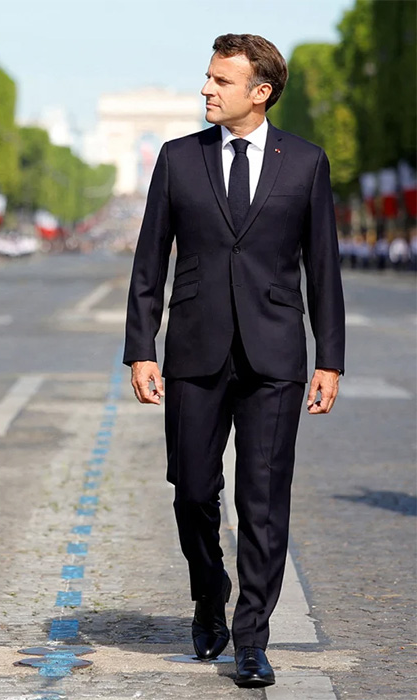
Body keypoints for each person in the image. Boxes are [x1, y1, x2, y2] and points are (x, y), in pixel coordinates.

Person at [123, 34, 344, 689]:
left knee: (263, 502)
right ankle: (208, 589)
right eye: (207, 77)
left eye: (221, 80)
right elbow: (147, 263)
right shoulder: (176, 159)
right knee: (192, 490)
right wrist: (141, 347)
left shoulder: (306, 162)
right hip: (194, 350)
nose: (206, 90)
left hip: (276, 354)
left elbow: (324, 268)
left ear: (261, 91)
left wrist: (329, 357)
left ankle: (252, 638)